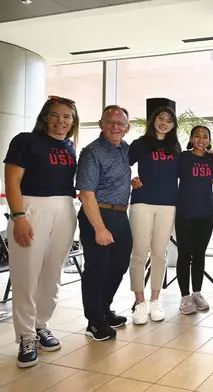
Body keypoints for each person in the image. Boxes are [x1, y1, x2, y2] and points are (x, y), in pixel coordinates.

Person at [3, 96, 79, 368]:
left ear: (73, 121)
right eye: (56, 116)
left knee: (52, 274)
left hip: (65, 209)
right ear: (46, 116)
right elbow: (11, 180)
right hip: (31, 209)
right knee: (26, 274)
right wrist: (19, 216)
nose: (62, 121)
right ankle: (25, 336)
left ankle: (40, 325)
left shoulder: (70, 147)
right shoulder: (25, 141)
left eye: (67, 117)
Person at [76, 105, 133, 341]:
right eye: (110, 122)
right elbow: (86, 194)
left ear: (127, 128)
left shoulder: (126, 149)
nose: (115, 127)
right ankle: (94, 321)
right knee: (96, 271)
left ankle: (104, 310)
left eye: (120, 123)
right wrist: (99, 228)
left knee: (119, 266)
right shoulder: (92, 152)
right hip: (97, 214)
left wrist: (134, 181)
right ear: (101, 124)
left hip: (120, 216)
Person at [127, 106, 181, 325]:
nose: (164, 123)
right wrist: (131, 178)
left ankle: (155, 299)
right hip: (142, 202)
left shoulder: (175, 147)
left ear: (173, 125)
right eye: (161, 118)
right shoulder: (139, 144)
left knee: (160, 254)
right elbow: (124, 166)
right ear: (153, 120)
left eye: (169, 120)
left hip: (168, 204)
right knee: (139, 253)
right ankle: (139, 302)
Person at [172, 126, 213, 315]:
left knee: (200, 254)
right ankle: (184, 296)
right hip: (185, 213)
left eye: (205, 137)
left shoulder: (211, 159)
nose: (201, 140)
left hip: (207, 213)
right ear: (191, 138)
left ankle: (197, 293)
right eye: (197, 136)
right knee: (185, 254)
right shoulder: (182, 157)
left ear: (209, 140)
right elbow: (167, 177)